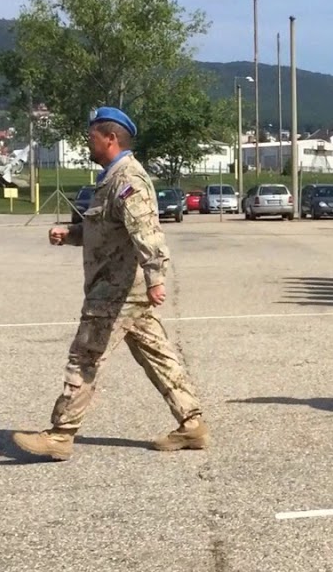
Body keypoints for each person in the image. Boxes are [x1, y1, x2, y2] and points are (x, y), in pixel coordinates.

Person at [12, 107, 208, 461]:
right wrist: (71, 234)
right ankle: (191, 423)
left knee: (85, 355)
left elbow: (146, 231)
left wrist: (156, 278)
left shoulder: (127, 180)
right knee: (158, 356)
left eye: (92, 138)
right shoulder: (111, 178)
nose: (88, 143)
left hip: (116, 290)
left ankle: (61, 434)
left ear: (110, 138)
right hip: (121, 288)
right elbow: (107, 231)